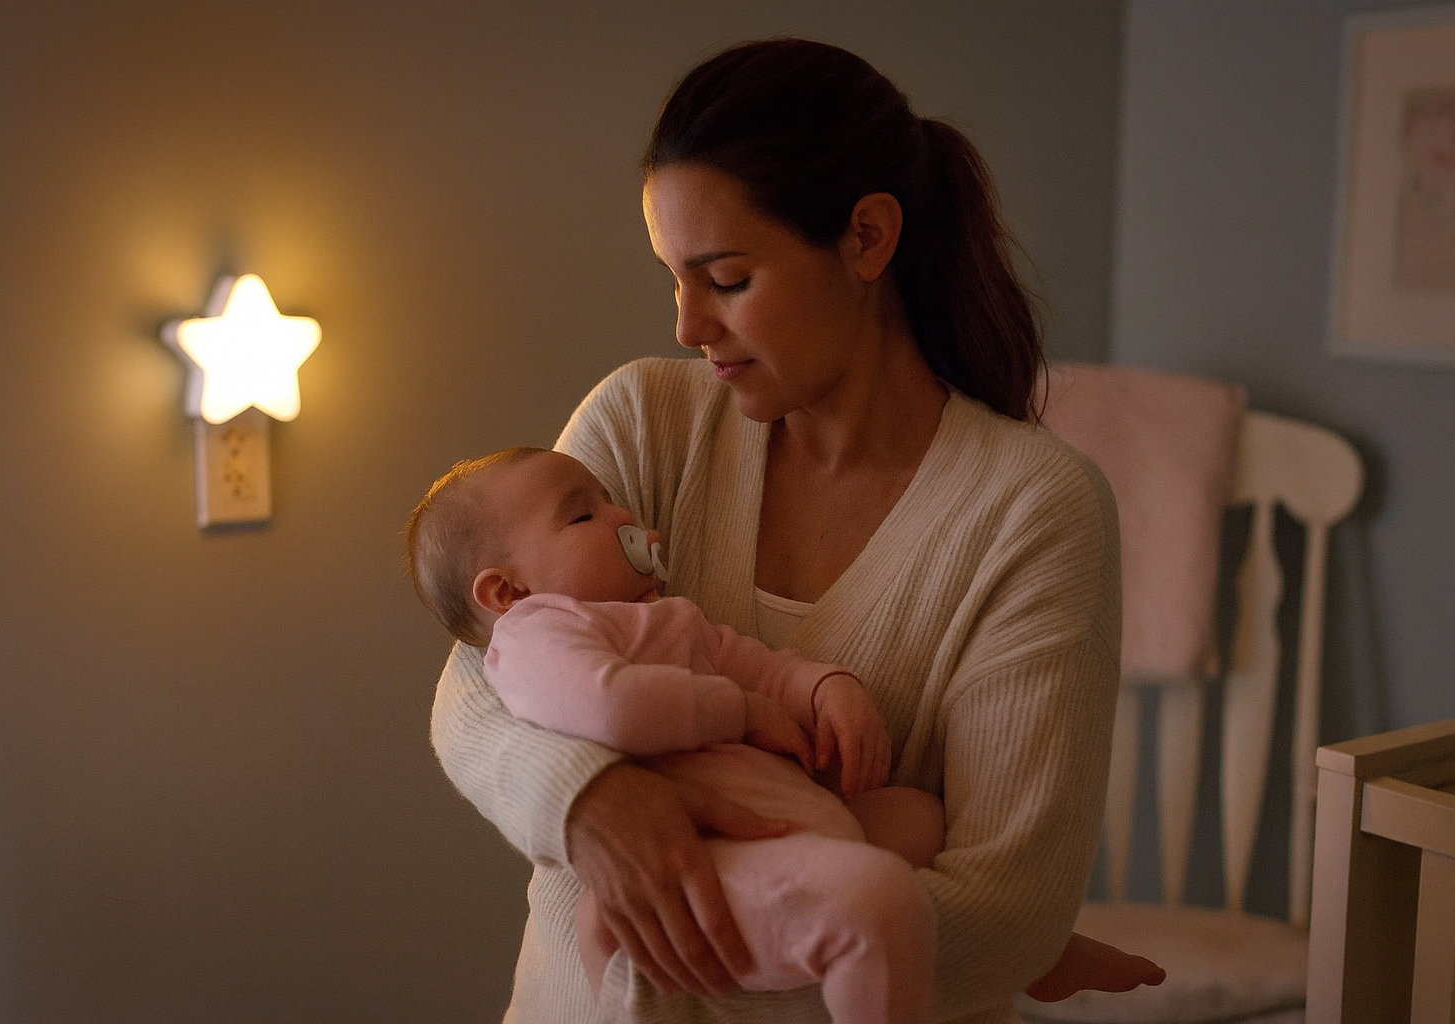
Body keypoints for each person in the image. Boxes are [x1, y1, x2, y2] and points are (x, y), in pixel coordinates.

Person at [432, 37, 1130, 1024]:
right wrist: (589, 803)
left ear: (867, 239)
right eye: (672, 277)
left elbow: (1009, 911)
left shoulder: (1031, 510)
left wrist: (667, 884)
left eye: (725, 277)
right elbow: (476, 686)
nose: (687, 325)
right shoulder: (644, 421)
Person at [410, 447, 1160, 1024]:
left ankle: (1023, 955)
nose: (625, 520)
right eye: (585, 517)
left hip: (788, 827)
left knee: (917, 817)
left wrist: (823, 687)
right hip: (705, 869)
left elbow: (756, 662)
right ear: (506, 592)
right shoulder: (539, 633)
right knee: (878, 900)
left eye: (613, 502)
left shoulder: (664, 618)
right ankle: (956, 956)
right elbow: (608, 709)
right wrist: (733, 711)